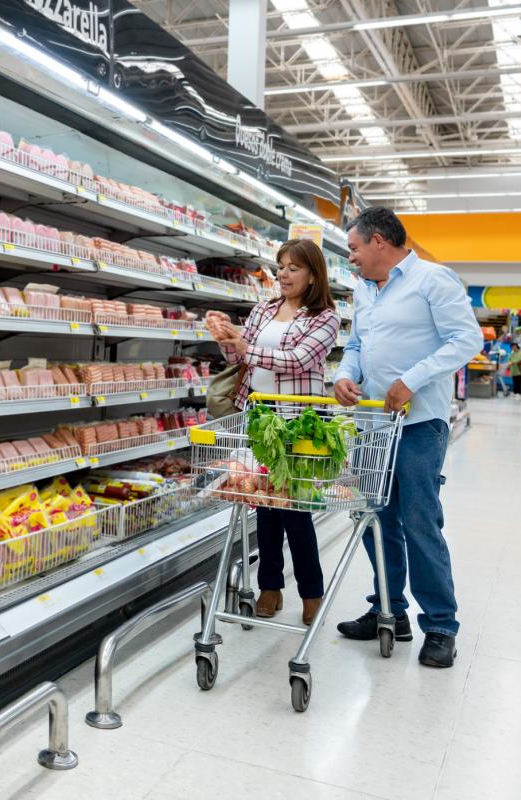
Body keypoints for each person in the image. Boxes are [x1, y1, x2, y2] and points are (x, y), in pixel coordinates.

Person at [333, 207, 483, 668]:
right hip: (371, 424)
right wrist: (344, 375)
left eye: (354, 248)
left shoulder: (433, 280)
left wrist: (411, 381)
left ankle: (440, 626)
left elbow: (466, 339)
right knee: (375, 519)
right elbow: (357, 345)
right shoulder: (363, 289)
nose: (350, 257)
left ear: (379, 241)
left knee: (419, 521)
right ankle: (389, 610)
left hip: (419, 424)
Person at [205, 239, 340, 626]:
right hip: (260, 418)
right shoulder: (263, 309)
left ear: (313, 275)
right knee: (264, 506)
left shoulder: (324, 317)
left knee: (295, 508)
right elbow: (240, 358)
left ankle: (311, 592)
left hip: (300, 421)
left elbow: (299, 360)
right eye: (280, 267)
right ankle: (269, 587)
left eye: (293, 268)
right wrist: (227, 339)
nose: (283, 274)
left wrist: (246, 348)